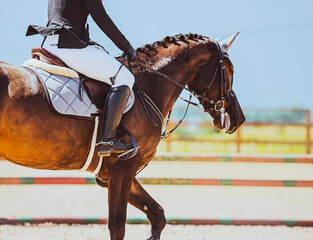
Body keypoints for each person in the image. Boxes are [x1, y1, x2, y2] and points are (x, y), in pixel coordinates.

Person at [26, 0, 137, 157]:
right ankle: (107, 139)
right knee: (124, 77)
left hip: (50, 41)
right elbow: (101, 17)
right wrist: (126, 47)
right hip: (69, 46)